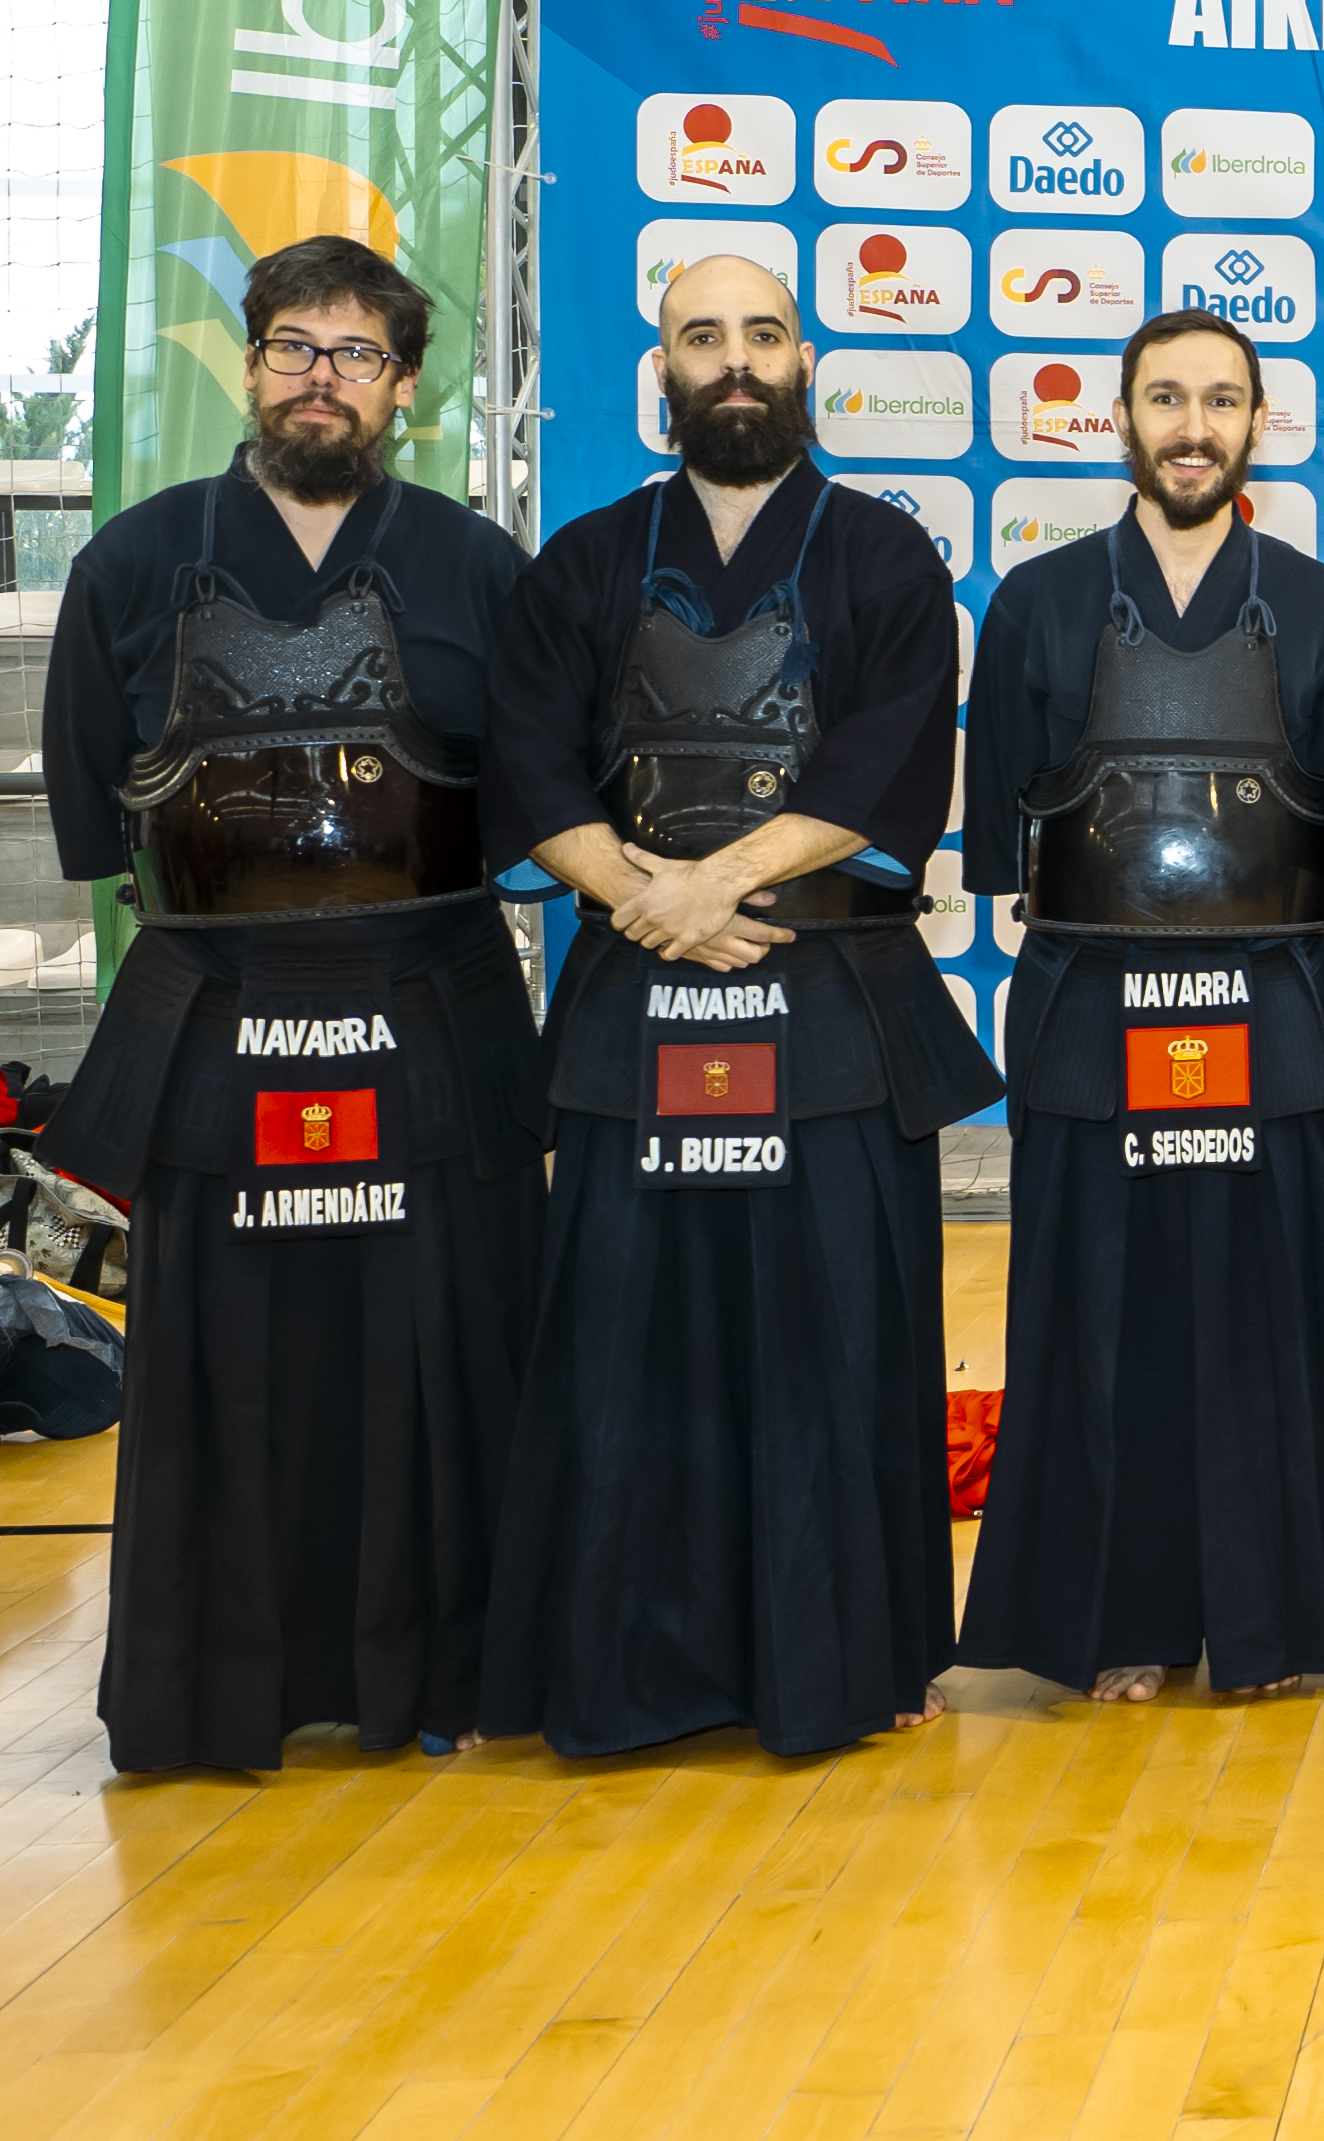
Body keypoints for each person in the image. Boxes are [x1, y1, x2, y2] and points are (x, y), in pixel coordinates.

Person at [474, 253, 997, 1754]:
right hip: (637, 1000)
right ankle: (633, 1670)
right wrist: (650, 896)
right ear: (664, 372)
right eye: (702, 337)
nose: (736, 360)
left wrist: (708, 890)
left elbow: (885, 764)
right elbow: (531, 762)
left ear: (806, 358)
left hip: (829, 994)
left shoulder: (888, 558)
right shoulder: (580, 560)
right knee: (627, 1336)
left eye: (762, 332)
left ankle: (837, 1661)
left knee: (837, 1328)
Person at [37, 235, 535, 1771]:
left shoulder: (476, 567)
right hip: (216, 1007)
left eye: (359, 354)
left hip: (430, 1000)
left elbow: (537, 803)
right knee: (222, 1349)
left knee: (448, 1339)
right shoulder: (130, 559)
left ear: (405, 389)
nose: (324, 379)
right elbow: (83, 817)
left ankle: (449, 1675)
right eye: (295, 348)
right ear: (251, 365)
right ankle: (215, 1691)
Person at [954, 311, 1324, 1703]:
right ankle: (1123, 1617)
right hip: (1091, 1002)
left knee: (1267, 1306)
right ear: (1120, 421)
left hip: (1268, 999)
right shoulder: (1034, 598)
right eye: (1164, 397)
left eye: (1219, 399)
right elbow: (997, 842)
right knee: (1101, 1309)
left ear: (1258, 421)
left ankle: (1269, 1622)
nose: (1191, 423)